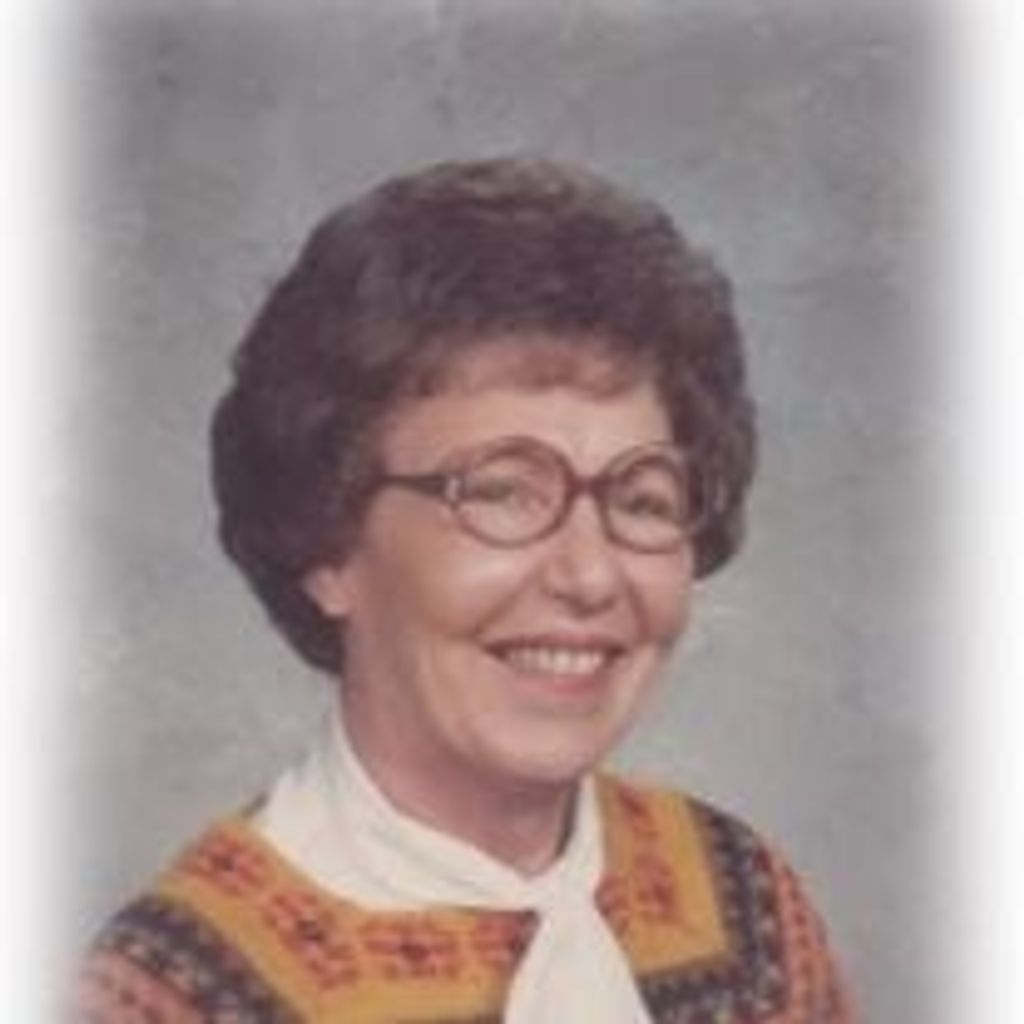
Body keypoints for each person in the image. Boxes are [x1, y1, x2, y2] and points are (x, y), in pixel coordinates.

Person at [77, 157, 853, 1022]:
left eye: (642, 499)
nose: (590, 575)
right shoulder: (178, 988)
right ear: (327, 545)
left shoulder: (743, 903)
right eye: (501, 492)